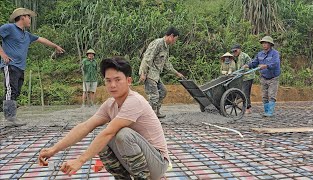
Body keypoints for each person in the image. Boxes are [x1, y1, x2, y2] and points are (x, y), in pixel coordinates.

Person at [39, 57, 169, 179]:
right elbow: (85, 127)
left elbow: (109, 132)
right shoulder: (110, 104)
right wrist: (53, 150)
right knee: (102, 141)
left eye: (118, 80)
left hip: (157, 163)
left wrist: (80, 161)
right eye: (108, 80)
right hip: (136, 162)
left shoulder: (134, 101)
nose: (112, 85)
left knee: (121, 134)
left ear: (129, 81)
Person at [0, 8, 65, 127]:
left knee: (16, 91)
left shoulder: (27, 35)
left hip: (20, 67)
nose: (30, 19)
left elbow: (41, 39)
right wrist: (2, 54)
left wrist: (55, 46)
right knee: (11, 90)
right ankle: (10, 118)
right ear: (22, 17)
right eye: (29, 17)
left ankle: (12, 117)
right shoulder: (9, 28)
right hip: (10, 65)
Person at [139, 27, 184, 118]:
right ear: (171, 36)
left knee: (163, 91)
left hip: (156, 75)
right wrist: (143, 73)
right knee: (154, 96)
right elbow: (147, 58)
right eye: (175, 39)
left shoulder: (166, 47)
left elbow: (166, 63)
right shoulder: (158, 43)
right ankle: (149, 116)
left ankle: (156, 112)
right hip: (149, 73)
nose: (175, 41)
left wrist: (176, 73)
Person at [243, 36, 280, 117]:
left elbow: (275, 64)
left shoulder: (275, 54)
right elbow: (254, 63)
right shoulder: (260, 54)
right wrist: (247, 66)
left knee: (271, 95)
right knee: (264, 95)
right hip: (263, 77)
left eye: (266, 43)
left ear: (270, 44)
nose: (264, 45)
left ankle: (269, 112)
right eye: (263, 43)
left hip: (273, 78)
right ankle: (266, 111)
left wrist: (266, 66)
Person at [231, 44, 255, 114]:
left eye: (235, 51)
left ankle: (248, 108)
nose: (234, 53)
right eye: (233, 51)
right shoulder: (238, 57)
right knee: (245, 92)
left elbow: (241, 69)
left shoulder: (242, 56)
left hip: (248, 76)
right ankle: (248, 107)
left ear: (239, 49)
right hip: (244, 76)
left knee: (245, 93)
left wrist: (234, 74)